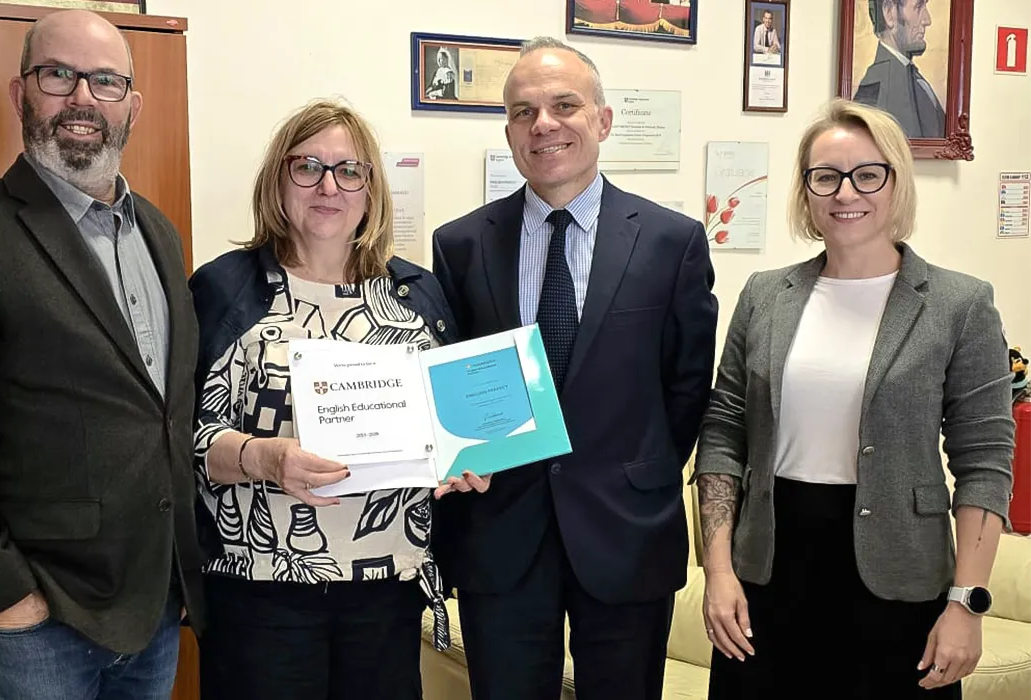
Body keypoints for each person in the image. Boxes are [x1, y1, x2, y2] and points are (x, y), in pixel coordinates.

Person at [0, 9, 204, 700]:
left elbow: (162, 414)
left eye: (106, 81)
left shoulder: (158, 231)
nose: (83, 97)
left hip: (153, 607)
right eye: (59, 75)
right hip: (40, 620)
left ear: (132, 106)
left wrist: (181, 568)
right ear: (20, 93)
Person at [693, 98, 1014, 700]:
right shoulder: (765, 295)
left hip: (900, 580)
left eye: (868, 174)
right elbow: (724, 433)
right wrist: (718, 571)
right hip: (768, 570)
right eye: (826, 176)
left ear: (897, 182)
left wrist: (966, 603)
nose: (846, 193)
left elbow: (984, 462)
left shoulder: (959, 304)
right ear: (806, 190)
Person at [432, 36, 718, 700]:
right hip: (500, 537)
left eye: (564, 105)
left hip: (627, 533)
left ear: (603, 120)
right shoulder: (461, 244)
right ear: (509, 131)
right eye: (524, 111)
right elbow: (452, 377)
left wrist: (636, 471)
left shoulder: (671, 241)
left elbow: (686, 389)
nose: (544, 124)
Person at [189, 98, 487, 699]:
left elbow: (452, 427)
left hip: (389, 591)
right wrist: (263, 457)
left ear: (371, 190)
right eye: (308, 167)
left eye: (349, 171)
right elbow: (182, 439)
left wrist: (466, 461)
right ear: (278, 180)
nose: (329, 186)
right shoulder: (224, 288)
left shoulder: (417, 295)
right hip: (258, 592)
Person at [855, 0, 946, 138]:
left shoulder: (905, 75)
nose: (927, 20)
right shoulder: (876, 92)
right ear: (889, 13)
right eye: (919, 6)